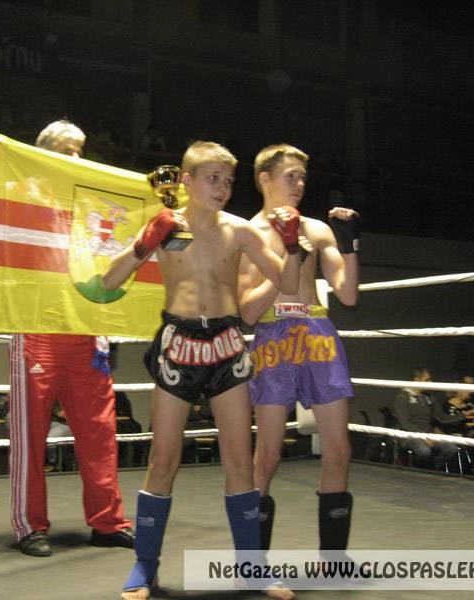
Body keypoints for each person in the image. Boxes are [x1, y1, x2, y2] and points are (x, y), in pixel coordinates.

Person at [101, 140, 299, 600]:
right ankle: (145, 567)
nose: (223, 187)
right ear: (187, 181)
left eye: (228, 180)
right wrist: (145, 243)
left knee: (240, 463)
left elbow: (288, 283)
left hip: (227, 345)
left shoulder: (239, 231)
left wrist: (291, 246)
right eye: (213, 178)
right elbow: (109, 280)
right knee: (163, 461)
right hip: (178, 345)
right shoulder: (166, 226)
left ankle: (252, 569)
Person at [0, 119, 133, 557]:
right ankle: (30, 526)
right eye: (66, 149)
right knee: (31, 435)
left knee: (99, 433)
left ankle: (108, 522)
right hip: (36, 329)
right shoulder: (23, 196)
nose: (76, 157)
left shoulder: (93, 200)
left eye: (80, 150)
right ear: (42, 154)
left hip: (86, 329)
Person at [237, 143, 359, 553]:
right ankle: (253, 561)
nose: (300, 184)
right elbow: (248, 312)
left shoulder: (318, 229)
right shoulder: (248, 235)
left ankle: (334, 559)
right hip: (273, 336)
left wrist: (349, 244)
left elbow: (348, 294)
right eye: (291, 176)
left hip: (318, 334)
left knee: (338, 449)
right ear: (265, 179)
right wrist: (288, 258)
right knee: (268, 455)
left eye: (303, 177)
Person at [393, 367, 463, 470]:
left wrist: (464, 415)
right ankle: (421, 471)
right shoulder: (402, 397)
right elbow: (405, 423)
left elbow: (442, 418)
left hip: (428, 435)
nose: (430, 382)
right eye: (427, 380)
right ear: (417, 380)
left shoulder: (429, 397)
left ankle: (431, 470)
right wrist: (424, 437)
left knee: (451, 448)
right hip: (409, 436)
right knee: (424, 451)